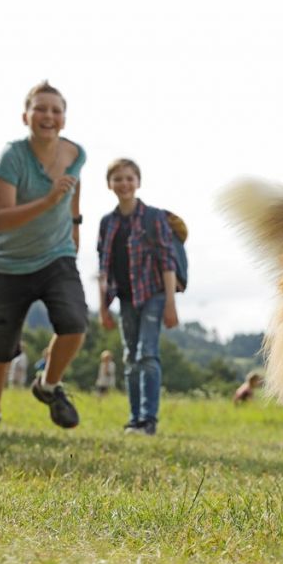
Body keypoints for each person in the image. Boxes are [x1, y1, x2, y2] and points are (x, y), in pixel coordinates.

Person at [0, 81, 87, 434]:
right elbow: (0, 219)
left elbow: (74, 189)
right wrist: (49, 201)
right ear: (26, 116)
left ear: (64, 119)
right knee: (1, 347)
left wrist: (74, 228)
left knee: (74, 323)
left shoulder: (75, 154)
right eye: (40, 109)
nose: (48, 116)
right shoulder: (12, 157)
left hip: (57, 256)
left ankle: (48, 385)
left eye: (56, 110)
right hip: (9, 263)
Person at [97, 158, 179, 436]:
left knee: (147, 354)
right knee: (130, 357)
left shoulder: (154, 217)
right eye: (118, 179)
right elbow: (103, 268)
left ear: (138, 182)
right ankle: (134, 419)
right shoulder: (107, 223)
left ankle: (148, 420)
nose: (124, 184)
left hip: (154, 295)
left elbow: (168, 261)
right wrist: (102, 308)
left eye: (129, 178)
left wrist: (170, 303)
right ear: (110, 185)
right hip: (126, 298)